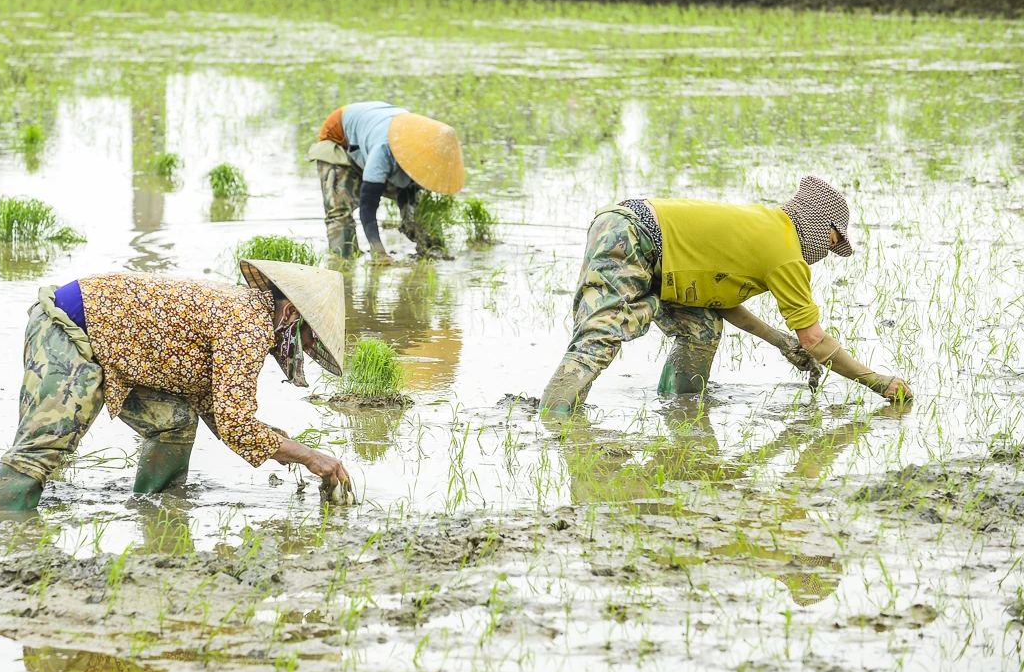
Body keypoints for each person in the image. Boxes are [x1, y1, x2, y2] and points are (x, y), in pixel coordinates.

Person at [0, 260, 353, 511]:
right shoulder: (248, 327)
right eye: (307, 338)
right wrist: (310, 456)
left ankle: (155, 511)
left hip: (116, 344)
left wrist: (292, 448)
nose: (303, 349)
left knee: (174, 421)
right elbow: (238, 427)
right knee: (45, 444)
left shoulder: (245, 316)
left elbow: (222, 413)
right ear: (289, 313)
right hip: (70, 328)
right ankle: (0, 535)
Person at [540, 176, 913, 412]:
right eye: (831, 242)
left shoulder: (770, 228)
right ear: (817, 222)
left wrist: (782, 343)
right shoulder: (785, 251)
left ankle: (680, 408)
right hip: (633, 233)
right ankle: (553, 424)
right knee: (601, 335)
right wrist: (876, 382)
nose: (827, 253)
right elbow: (814, 339)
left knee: (702, 327)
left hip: (653, 247)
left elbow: (722, 303)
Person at [307, 101, 465, 263]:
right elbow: (368, 205)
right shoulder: (383, 150)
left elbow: (408, 191)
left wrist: (410, 218)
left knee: (417, 211)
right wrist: (379, 253)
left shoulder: (425, 154)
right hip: (340, 138)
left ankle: (434, 251)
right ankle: (344, 264)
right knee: (340, 212)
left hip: (374, 131)